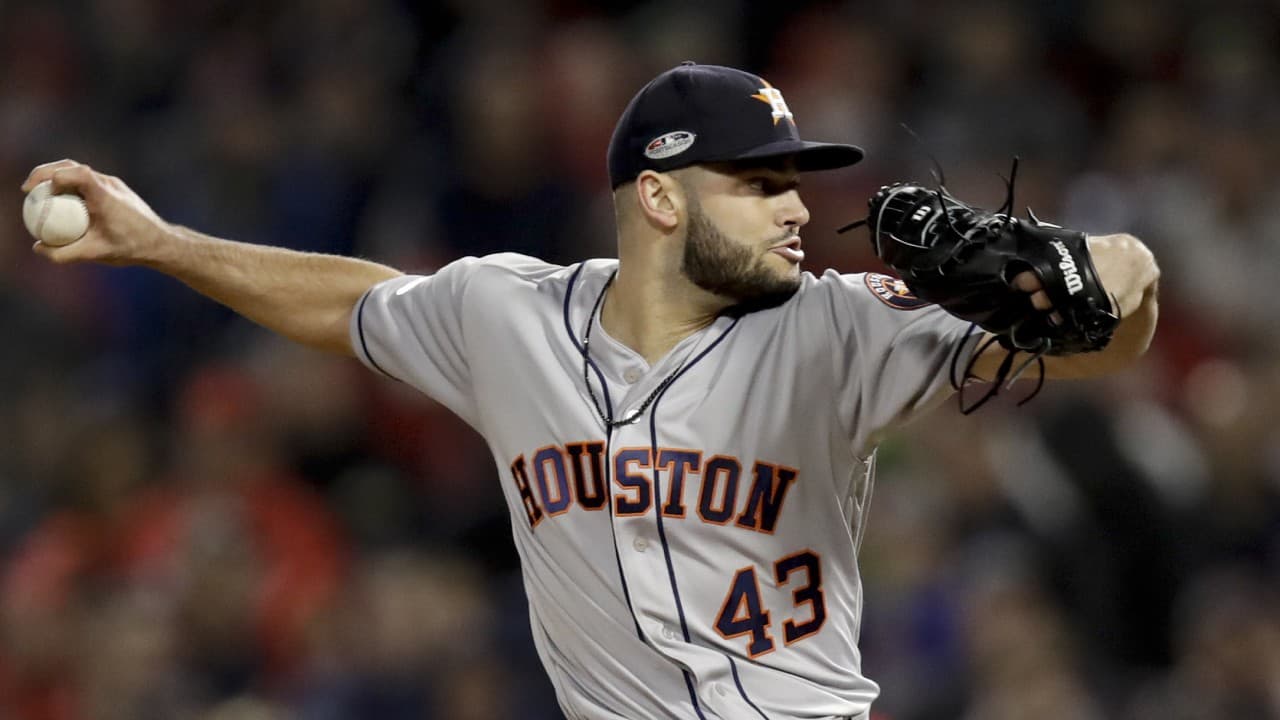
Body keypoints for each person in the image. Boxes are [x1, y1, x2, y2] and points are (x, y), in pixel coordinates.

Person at [22, 62, 1158, 720]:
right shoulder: (504, 315)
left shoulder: (839, 323)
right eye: (759, 182)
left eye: (794, 182)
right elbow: (349, 302)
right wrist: (162, 243)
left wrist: (1084, 268)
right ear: (658, 199)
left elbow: (1113, 321)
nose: (796, 208)